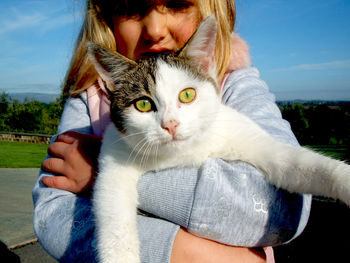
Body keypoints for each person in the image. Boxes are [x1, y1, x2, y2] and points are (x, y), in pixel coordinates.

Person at [32, 0, 311, 262]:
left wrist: (104, 174)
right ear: (106, 18)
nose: (154, 30)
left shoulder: (236, 85)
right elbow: (52, 215)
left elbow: (286, 206)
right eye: (132, 8)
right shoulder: (89, 93)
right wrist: (207, 256)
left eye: (177, 4)